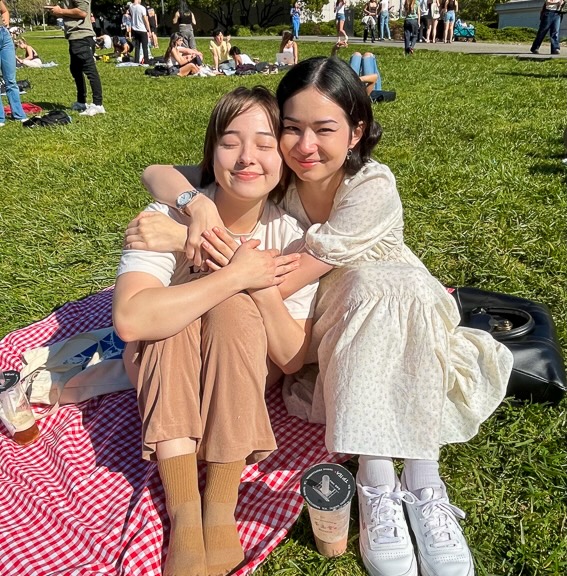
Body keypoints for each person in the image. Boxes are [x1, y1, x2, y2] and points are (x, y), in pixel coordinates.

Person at [133, 56, 513, 576]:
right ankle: (367, 481)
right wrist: (193, 208)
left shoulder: (369, 187)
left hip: (382, 302)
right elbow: (158, 171)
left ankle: (417, 485)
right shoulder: (278, 177)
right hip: (320, 306)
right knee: (195, 323)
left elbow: (275, 279)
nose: (305, 146)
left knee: (383, 290)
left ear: (356, 132)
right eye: (291, 129)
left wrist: (182, 240)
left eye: (325, 129)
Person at [113, 85, 317, 576]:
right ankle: (185, 512)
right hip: (166, 370)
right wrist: (232, 272)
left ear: (284, 160)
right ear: (210, 153)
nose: (247, 157)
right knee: (173, 322)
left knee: (233, 311)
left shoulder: (291, 235)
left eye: (265, 143)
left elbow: (292, 359)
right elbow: (131, 319)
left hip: (241, 369)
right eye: (230, 142)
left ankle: (219, 506)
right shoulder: (167, 216)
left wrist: (240, 282)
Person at [44, 0, 105, 116]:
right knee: (75, 70)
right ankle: (81, 101)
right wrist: (58, 11)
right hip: (75, 37)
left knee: (90, 70)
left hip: (81, 36)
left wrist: (60, 11)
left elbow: (82, 12)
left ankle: (98, 104)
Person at [0, 1, 27, 127]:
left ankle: (19, 114)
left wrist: (6, 24)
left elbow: (4, 11)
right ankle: (0, 118)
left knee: (11, 80)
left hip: (4, 38)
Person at [129, 0, 151, 64]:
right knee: (145, 47)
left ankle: (136, 60)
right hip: (142, 29)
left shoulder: (131, 7)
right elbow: (145, 20)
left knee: (137, 46)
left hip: (135, 29)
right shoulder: (142, 8)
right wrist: (148, 30)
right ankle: (146, 61)